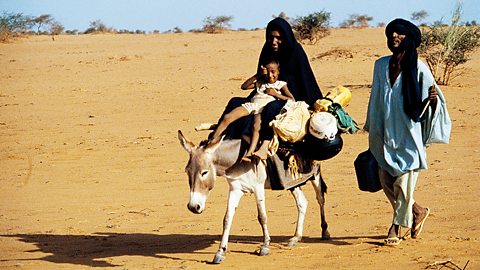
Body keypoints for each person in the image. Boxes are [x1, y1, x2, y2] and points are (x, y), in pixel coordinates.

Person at [364, 18, 451, 246]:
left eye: (400, 34)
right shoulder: (380, 65)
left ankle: (395, 227)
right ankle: (418, 211)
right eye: (391, 33)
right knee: (385, 180)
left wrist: (431, 103)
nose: (394, 37)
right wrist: (371, 127)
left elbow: (435, 100)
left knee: (403, 184)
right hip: (383, 133)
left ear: (409, 38)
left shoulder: (419, 68)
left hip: (409, 135)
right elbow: (375, 100)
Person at [213, 17, 323, 146]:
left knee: (271, 108)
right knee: (234, 102)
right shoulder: (267, 51)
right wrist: (259, 77)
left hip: (288, 99)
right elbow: (259, 81)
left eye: (279, 38)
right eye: (271, 37)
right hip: (264, 95)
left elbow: (306, 82)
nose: (274, 42)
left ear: (286, 38)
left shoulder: (296, 53)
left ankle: (260, 142)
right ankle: (217, 138)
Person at [210, 59, 294, 161]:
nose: (270, 75)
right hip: (252, 105)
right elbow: (244, 87)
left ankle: (250, 153)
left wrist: (276, 94)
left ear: (278, 71)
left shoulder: (280, 84)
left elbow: (291, 99)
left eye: (273, 72)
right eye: (267, 72)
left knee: (256, 127)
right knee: (228, 117)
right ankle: (212, 140)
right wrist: (257, 75)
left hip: (263, 109)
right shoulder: (260, 82)